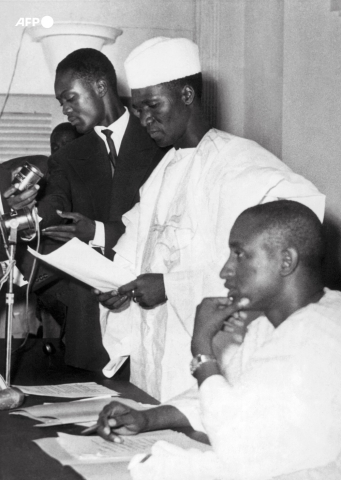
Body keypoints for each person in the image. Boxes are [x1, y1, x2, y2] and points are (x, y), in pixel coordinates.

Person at [95, 37, 325, 401]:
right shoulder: (162, 172)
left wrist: (172, 286)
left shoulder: (246, 166)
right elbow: (131, 250)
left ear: (187, 95)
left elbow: (292, 262)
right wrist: (116, 286)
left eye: (153, 105)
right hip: (156, 358)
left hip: (219, 358)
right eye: (137, 110)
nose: (144, 119)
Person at [96, 200, 341, 480]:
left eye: (239, 254)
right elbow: (234, 398)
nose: (225, 271)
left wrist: (202, 347)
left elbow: (238, 449)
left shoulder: (316, 336)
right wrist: (146, 419)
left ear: (286, 261)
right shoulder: (272, 323)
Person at [5, 48, 167, 370]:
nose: (65, 110)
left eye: (69, 98)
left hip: (153, 304)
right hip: (90, 316)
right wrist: (28, 216)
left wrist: (97, 231)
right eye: (61, 103)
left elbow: (164, 223)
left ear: (101, 87)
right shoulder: (67, 156)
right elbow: (55, 205)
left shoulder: (160, 141)